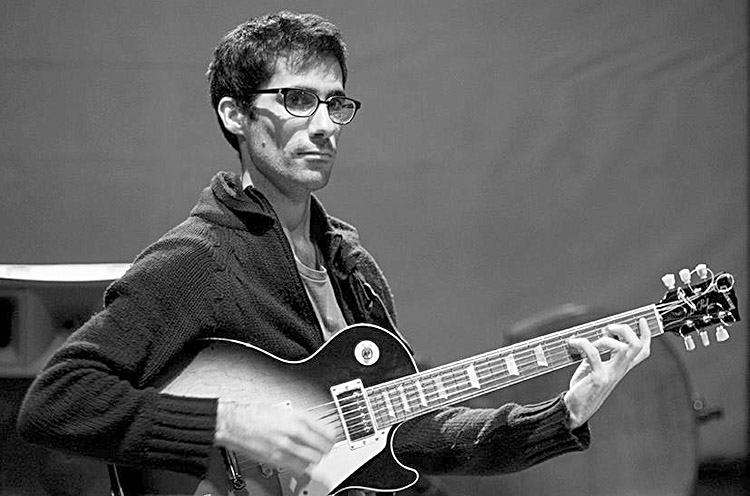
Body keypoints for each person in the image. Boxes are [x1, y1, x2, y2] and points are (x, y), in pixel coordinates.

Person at [16, 10, 651, 496]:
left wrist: (562, 414)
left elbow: (413, 435)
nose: (323, 124)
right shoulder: (198, 260)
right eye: (298, 100)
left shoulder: (353, 269)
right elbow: (56, 399)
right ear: (235, 115)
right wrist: (224, 422)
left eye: (335, 103)